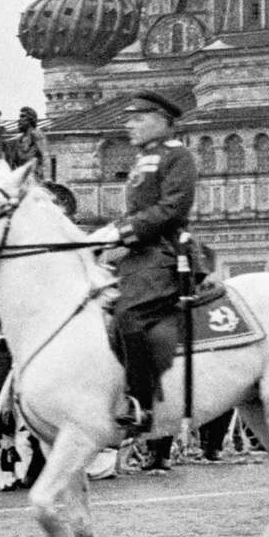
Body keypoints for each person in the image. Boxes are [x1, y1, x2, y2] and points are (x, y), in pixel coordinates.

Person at [84, 90, 198, 440]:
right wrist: (107, 236)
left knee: (129, 315)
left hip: (163, 254)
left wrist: (121, 231)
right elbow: (137, 209)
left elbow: (171, 210)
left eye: (138, 118)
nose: (129, 124)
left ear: (162, 120)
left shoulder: (179, 157)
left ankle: (140, 403)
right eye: (128, 118)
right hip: (136, 254)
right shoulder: (143, 158)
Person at [0, 106, 48, 171]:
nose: (19, 120)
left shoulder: (37, 134)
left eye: (23, 116)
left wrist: (47, 178)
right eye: (20, 117)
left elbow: (45, 156)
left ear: (31, 119)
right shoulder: (19, 139)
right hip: (21, 175)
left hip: (34, 175)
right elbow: (7, 143)